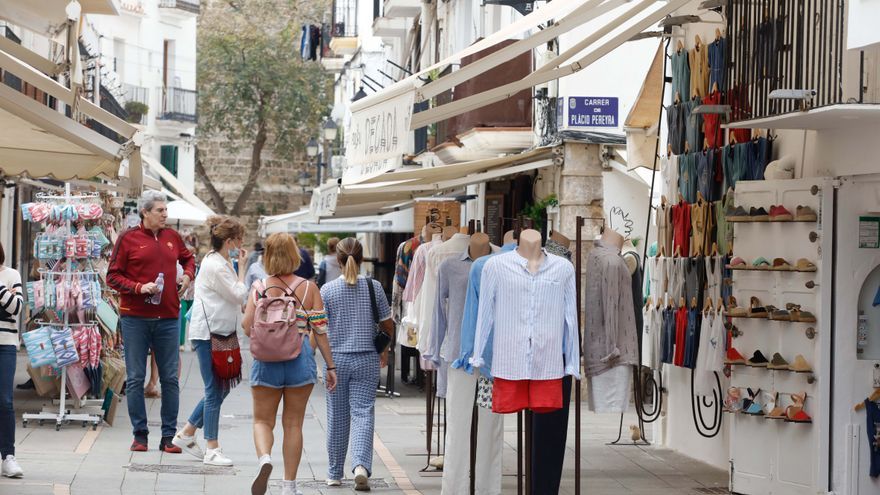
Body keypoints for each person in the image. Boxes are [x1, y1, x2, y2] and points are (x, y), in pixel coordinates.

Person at [242, 233, 337, 495]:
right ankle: (289, 486)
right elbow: (320, 330)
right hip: (300, 358)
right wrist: (330, 366)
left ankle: (264, 459)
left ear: (268, 256)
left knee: (262, 420)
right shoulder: (309, 288)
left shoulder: (259, 287)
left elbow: (247, 326)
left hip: (266, 361)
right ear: (295, 254)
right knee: (293, 423)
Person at [107, 190, 195, 453]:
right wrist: (137, 287)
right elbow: (112, 276)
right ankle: (140, 435)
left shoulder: (172, 237)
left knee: (170, 379)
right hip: (135, 318)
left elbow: (189, 258)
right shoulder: (128, 238)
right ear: (145, 212)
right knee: (135, 378)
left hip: (169, 317)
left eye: (166, 210)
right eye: (160, 210)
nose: (165, 215)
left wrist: (188, 276)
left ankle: (168, 437)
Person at [172, 216, 248, 466]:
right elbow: (238, 294)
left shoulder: (219, 261)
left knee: (221, 387)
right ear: (229, 241)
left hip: (219, 331)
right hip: (210, 333)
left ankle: (187, 433)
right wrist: (243, 268)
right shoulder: (216, 265)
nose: (242, 243)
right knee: (215, 389)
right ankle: (212, 447)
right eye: (239, 239)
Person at [320, 237, 393, 490]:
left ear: (338, 260)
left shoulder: (327, 291)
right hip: (366, 359)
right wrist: (384, 350)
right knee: (363, 413)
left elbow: (319, 330)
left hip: (336, 360)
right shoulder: (374, 287)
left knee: (337, 417)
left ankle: (334, 473)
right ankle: (361, 466)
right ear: (361, 259)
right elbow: (387, 324)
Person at [0, 243, 23, 478]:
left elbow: (16, 308)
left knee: (4, 401)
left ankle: (8, 456)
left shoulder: (11, 275)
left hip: (5, 344)